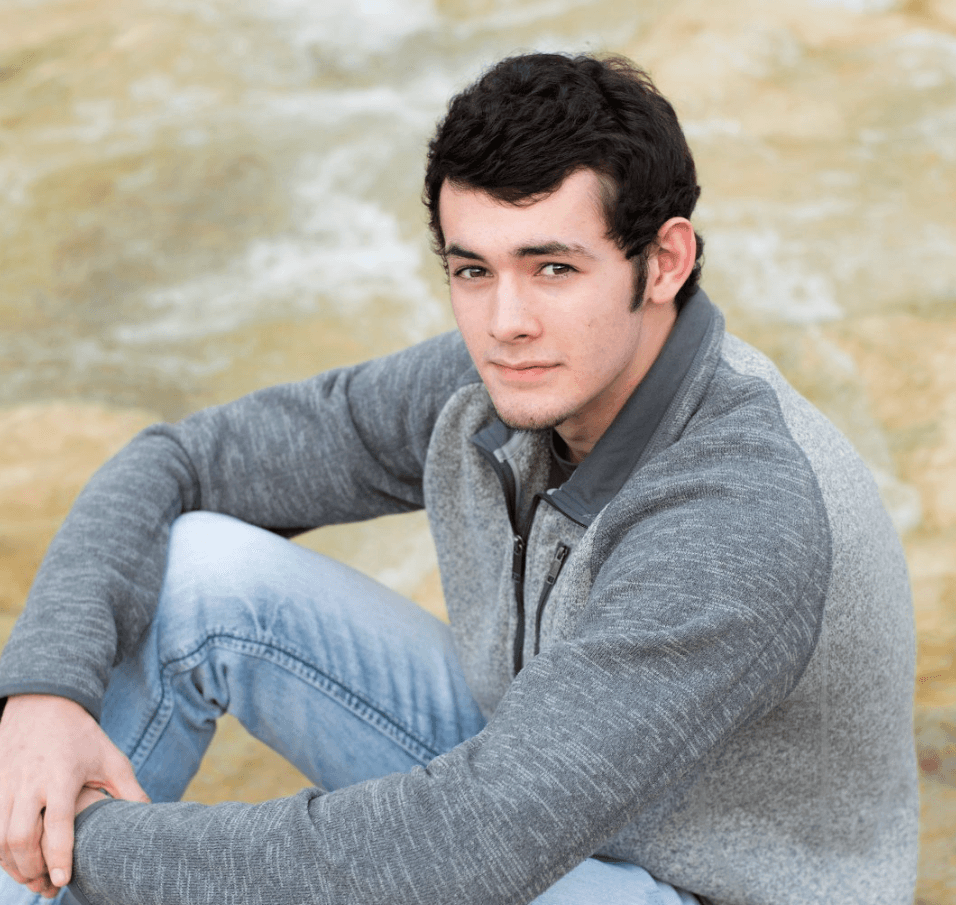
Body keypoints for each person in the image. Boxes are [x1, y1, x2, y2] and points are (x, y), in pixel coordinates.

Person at [0, 53, 917, 905]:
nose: (505, 321)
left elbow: (463, 849)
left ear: (664, 261)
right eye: (473, 269)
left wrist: (100, 843)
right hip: (542, 792)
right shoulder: (499, 382)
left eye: (553, 267)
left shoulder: (737, 512)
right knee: (203, 570)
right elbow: (182, 460)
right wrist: (47, 694)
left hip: (681, 884)